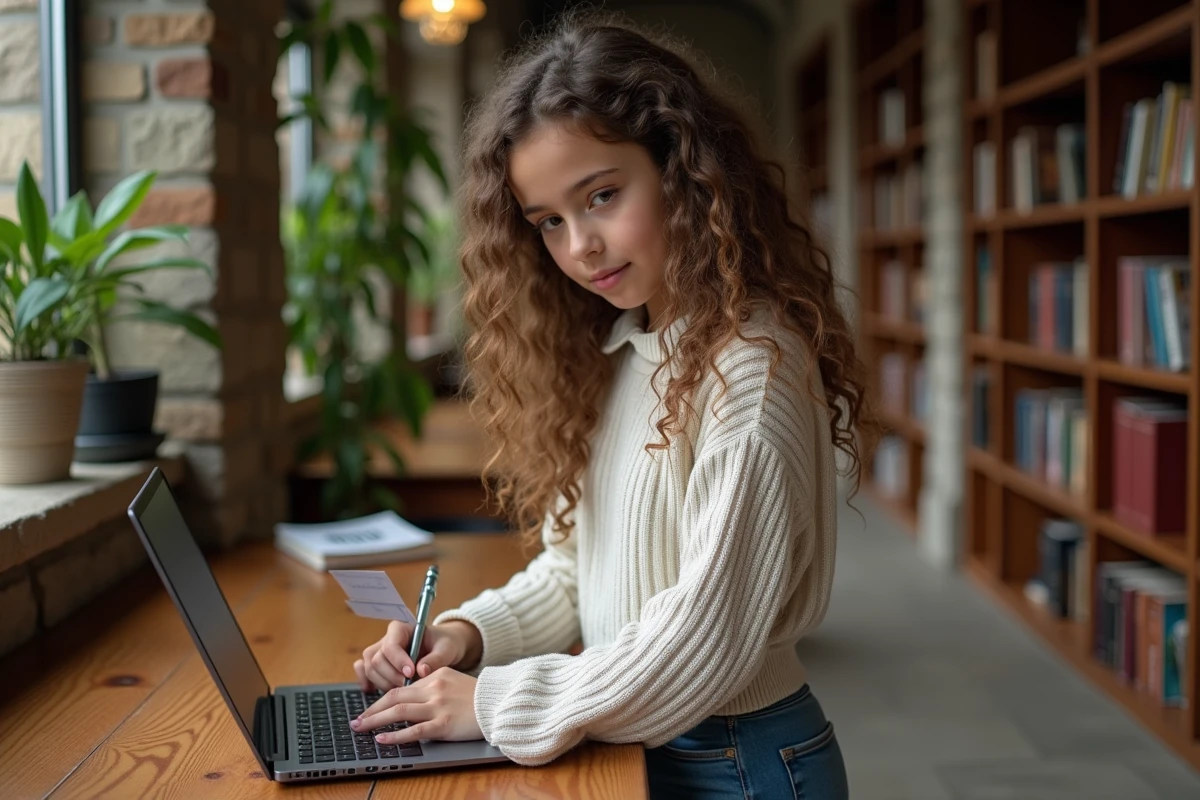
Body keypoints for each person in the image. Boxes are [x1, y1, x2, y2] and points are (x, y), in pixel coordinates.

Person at [349, 12, 878, 799]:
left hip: (737, 762)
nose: (580, 247)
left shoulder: (751, 369)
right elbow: (575, 576)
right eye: (549, 223)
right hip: (639, 736)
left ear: (685, 170)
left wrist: (494, 703)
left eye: (601, 196)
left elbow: (704, 641)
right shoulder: (628, 350)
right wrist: (466, 637)